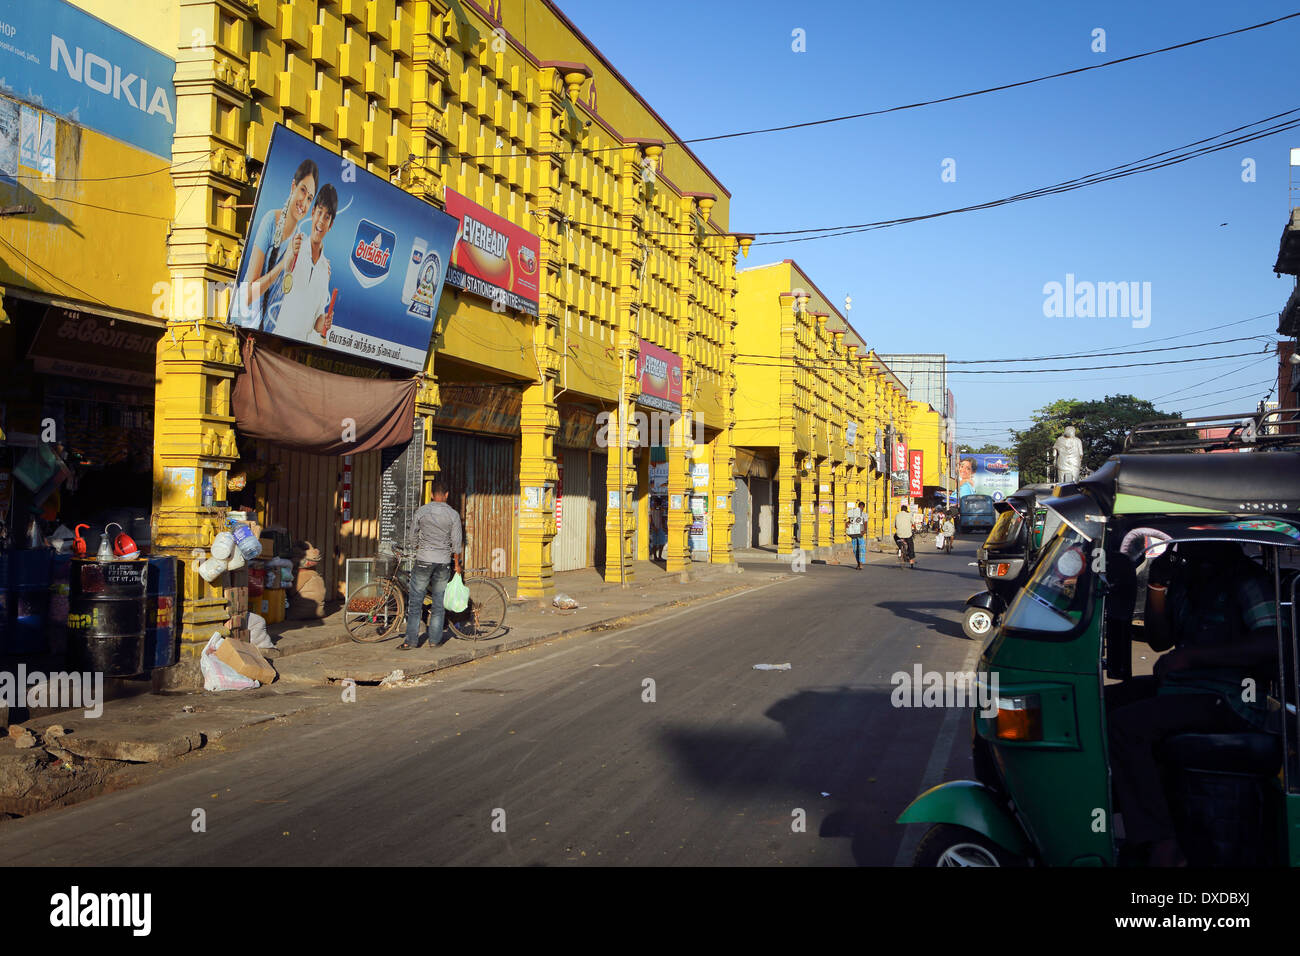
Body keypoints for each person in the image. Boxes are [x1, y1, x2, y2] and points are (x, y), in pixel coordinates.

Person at [1107, 541, 1279, 866]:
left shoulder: (1247, 580)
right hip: (1184, 688)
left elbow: (1272, 641)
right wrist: (1157, 586)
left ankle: (1163, 842)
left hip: (1229, 697)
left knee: (1126, 727)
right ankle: (1128, 820)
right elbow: (1160, 640)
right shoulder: (1189, 579)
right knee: (1102, 704)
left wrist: (1194, 657)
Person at [236, 157, 318, 331]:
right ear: (293, 187)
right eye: (303, 191)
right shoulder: (270, 222)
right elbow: (247, 296)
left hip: (272, 334)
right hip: (245, 325)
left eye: (310, 198)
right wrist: (283, 263)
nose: (304, 203)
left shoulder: (300, 242)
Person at [399, 482, 464, 650]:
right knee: (438, 602)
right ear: (447, 495)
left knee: (415, 602)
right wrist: (456, 564)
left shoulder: (422, 511)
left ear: (432, 495)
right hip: (443, 562)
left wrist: (417, 547)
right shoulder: (453, 515)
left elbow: (412, 535)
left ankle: (410, 641)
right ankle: (434, 641)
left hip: (423, 560)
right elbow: (456, 543)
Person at [275, 183, 338, 344]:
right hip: (278, 340)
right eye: (319, 213)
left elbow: (316, 320)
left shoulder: (326, 270)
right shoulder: (296, 246)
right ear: (312, 213)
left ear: (331, 225)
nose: (321, 221)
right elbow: (287, 268)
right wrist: (291, 254)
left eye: (327, 217)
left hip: (301, 349)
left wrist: (323, 321)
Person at [894, 504, 916, 568]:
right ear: (906, 510)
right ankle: (911, 560)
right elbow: (913, 523)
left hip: (899, 534)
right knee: (911, 545)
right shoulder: (909, 515)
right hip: (908, 534)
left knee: (895, 537)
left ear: (901, 510)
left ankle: (900, 546)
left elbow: (895, 526)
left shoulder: (897, 515)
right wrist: (915, 529)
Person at [846, 499, 866, 569]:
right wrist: (847, 524)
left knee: (861, 549)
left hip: (860, 534)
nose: (860, 508)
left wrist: (864, 531)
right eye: (859, 507)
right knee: (855, 549)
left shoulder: (864, 515)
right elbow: (850, 521)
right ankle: (858, 563)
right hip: (854, 534)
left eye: (861, 507)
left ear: (863, 508)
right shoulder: (853, 514)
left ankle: (861, 564)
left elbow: (865, 524)